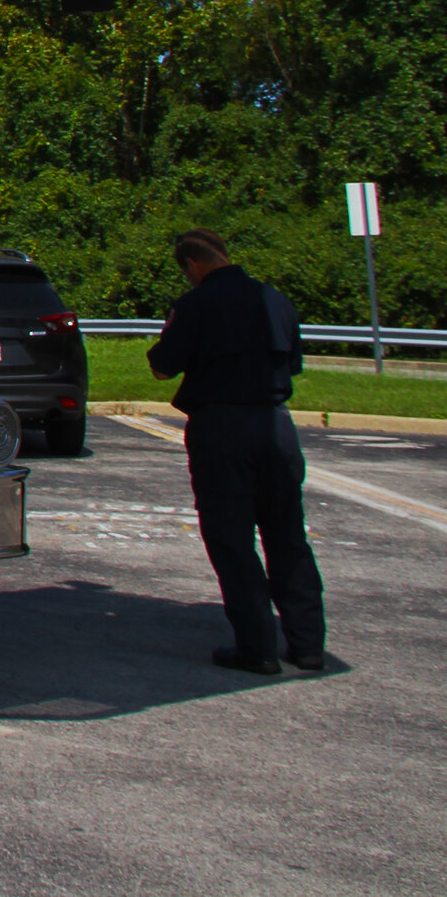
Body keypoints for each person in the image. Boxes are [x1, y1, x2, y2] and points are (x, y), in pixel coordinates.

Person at [147, 228, 324, 674]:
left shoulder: (195, 305)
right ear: (224, 254)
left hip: (222, 429)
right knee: (287, 537)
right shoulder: (276, 301)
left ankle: (257, 647)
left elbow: (163, 366)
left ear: (192, 265)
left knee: (232, 540)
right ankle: (307, 644)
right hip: (276, 426)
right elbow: (294, 365)